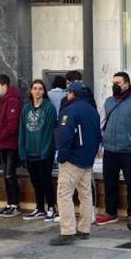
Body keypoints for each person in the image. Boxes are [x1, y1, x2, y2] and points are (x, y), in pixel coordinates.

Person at [51, 81, 102, 245]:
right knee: (85, 194)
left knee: (64, 194)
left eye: (69, 92)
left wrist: (62, 156)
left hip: (72, 159)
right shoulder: (92, 111)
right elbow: (98, 136)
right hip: (87, 159)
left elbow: (64, 135)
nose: (67, 95)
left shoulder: (70, 110)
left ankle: (67, 231)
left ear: (73, 94)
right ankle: (84, 229)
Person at [100, 71, 131, 227]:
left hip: (129, 151)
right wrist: (103, 141)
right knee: (109, 181)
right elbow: (101, 123)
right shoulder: (108, 102)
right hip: (110, 149)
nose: (115, 86)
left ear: (127, 84)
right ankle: (110, 212)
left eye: (118, 83)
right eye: (113, 83)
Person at [20, 79, 58, 221]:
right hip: (30, 152)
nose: (37, 91)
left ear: (44, 91)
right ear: (31, 91)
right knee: (35, 181)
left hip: (44, 153)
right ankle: (39, 207)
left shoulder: (49, 108)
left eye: (40, 88)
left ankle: (51, 208)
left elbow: (49, 131)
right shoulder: (26, 109)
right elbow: (22, 131)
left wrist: (45, 151)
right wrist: (22, 151)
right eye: (34, 88)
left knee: (46, 180)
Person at [0, 74, 23, 217]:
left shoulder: (12, 101)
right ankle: (10, 203)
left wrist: (1, 135)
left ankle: (14, 204)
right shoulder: (4, 101)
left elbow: (12, 124)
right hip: (3, 144)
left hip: (10, 144)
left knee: (10, 174)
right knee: (6, 175)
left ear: (5, 86)